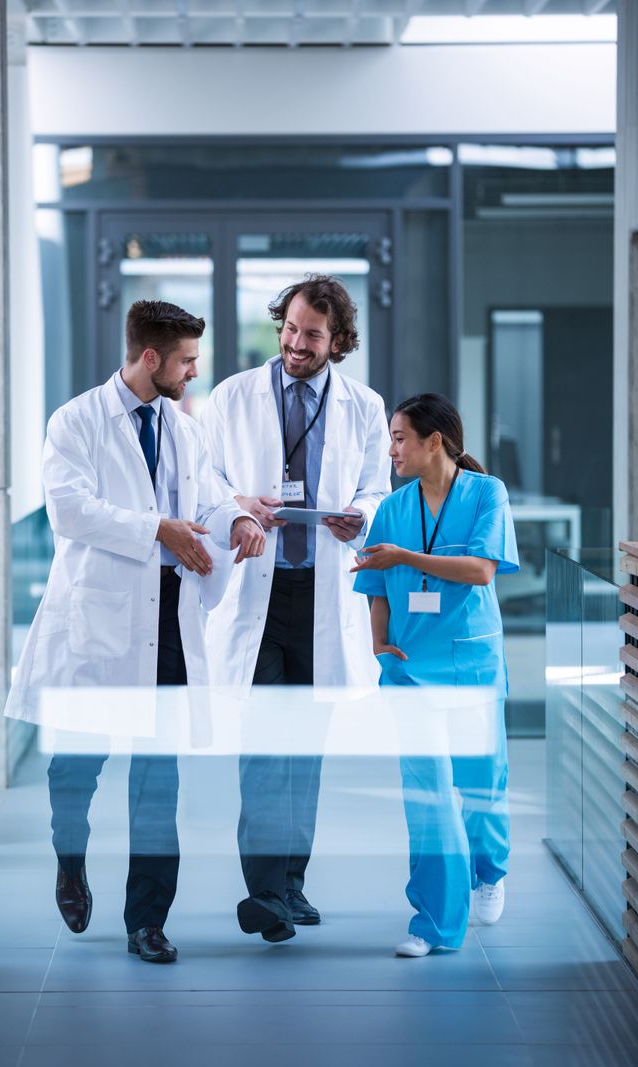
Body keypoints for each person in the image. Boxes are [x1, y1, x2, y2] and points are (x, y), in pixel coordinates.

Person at [5, 300, 263, 963]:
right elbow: (69, 510)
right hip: (99, 623)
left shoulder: (184, 428)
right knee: (75, 771)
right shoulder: (77, 422)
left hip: (169, 626)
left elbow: (207, 494)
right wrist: (158, 530)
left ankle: (146, 921)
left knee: (157, 782)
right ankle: (70, 861)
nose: (194, 372)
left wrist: (235, 519)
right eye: (186, 360)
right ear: (151, 359)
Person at [200, 274, 391, 942]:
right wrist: (237, 508)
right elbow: (206, 479)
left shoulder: (365, 407)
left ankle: (291, 885)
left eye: (312, 335)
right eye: (290, 329)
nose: (296, 344)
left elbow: (376, 488)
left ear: (338, 340)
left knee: (305, 745)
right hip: (259, 588)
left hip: (321, 593)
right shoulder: (232, 396)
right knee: (262, 745)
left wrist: (358, 517)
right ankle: (268, 893)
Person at [351, 393, 519, 958]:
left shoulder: (486, 493)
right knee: (427, 797)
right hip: (408, 668)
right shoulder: (392, 508)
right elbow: (374, 583)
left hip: (471, 662)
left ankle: (489, 870)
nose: (391, 449)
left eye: (400, 438)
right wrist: (379, 639)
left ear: (434, 442)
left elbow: (479, 569)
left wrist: (404, 558)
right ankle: (434, 923)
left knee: (481, 784)